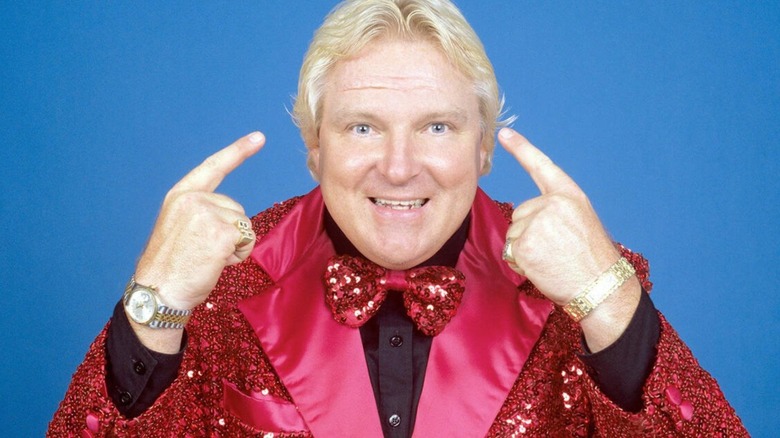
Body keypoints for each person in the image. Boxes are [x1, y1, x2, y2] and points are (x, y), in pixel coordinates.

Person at [49, 0, 746, 436]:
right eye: (362, 128)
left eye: (438, 127)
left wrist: (609, 297)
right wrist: (153, 305)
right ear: (314, 149)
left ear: (482, 148)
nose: (400, 165)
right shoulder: (213, 282)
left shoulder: (582, 284)